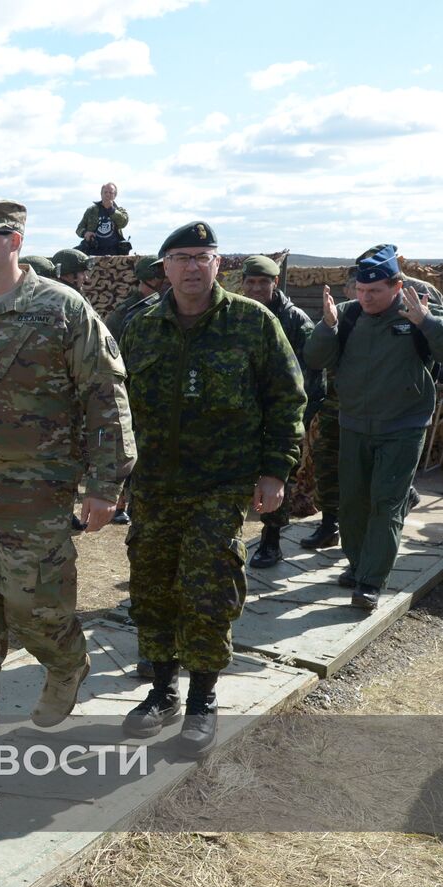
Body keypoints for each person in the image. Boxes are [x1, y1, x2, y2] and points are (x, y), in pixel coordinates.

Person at [0, 200, 135, 746]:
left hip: (34, 491)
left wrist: (106, 485)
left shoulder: (62, 309)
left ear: (14, 241)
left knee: (33, 602)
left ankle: (65, 665)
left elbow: (105, 398)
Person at [119, 222, 304, 756]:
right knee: (152, 586)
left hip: (221, 485)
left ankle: (203, 699)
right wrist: (113, 475)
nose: (193, 266)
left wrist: (275, 471)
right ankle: (161, 692)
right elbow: (117, 405)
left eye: (203, 256)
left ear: (218, 264)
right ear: (165, 268)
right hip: (154, 484)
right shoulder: (142, 328)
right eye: (182, 257)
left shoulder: (253, 323)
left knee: (207, 588)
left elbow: (286, 400)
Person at [303, 245, 443, 610]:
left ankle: (370, 579)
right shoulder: (348, 317)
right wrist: (328, 325)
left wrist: (426, 323)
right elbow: (315, 359)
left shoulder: (418, 311)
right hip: (354, 424)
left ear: (396, 286)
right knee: (352, 502)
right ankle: (357, 562)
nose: (365, 297)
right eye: (361, 290)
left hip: (403, 426)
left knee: (385, 503)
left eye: (375, 291)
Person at [239, 255, 315, 568]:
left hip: (277, 414)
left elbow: (310, 372)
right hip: (241, 414)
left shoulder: (295, 320)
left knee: (275, 475)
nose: (257, 288)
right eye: (251, 282)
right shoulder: (236, 314)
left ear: (275, 283)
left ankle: (271, 542)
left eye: (263, 283)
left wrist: (303, 416)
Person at [105, 256, 166, 342]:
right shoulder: (125, 312)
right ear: (150, 278)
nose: (167, 279)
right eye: (162, 274)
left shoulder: (168, 305)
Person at [76, 182, 131, 255]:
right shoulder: (91, 210)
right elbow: (79, 229)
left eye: (111, 193)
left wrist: (111, 210)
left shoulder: (120, 210)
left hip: (114, 251)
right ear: (101, 194)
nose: (108, 194)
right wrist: (85, 233)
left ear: (115, 196)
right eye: (105, 192)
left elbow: (123, 223)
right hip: (94, 250)